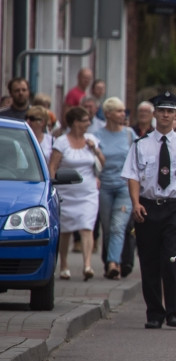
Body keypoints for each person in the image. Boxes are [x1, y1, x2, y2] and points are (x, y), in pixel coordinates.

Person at [121, 91, 176, 329]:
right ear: (155, 114)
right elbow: (133, 176)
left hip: (175, 207)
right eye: (162, 110)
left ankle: (174, 311)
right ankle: (154, 313)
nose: (166, 115)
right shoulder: (140, 145)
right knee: (149, 262)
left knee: (172, 259)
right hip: (148, 206)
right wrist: (135, 203)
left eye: (170, 111)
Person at [49, 106, 104, 280]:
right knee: (65, 230)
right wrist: (53, 184)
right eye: (85, 120)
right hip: (66, 192)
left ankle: (87, 264)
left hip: (88, 192)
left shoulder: (91, 139)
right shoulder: (62, 142)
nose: (88, 123)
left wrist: (94, 149)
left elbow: (103, 162)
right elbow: (53, 166)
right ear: (75, 122)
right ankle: (64, 264)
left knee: (87, 226)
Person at [93, 97, 137, 279]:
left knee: (119, 225)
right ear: (108, 114)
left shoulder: (129, 134)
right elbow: (92, 162)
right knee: (108, 226)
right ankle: (110, 261)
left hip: (124, 186)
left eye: (123, 111)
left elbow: (137, 159)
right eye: (119, 111)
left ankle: (114, 263)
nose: (123, 114)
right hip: (104, 186)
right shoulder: (96, 135)